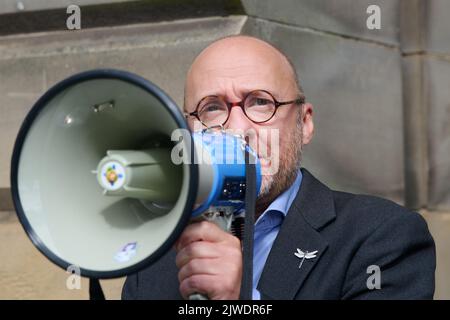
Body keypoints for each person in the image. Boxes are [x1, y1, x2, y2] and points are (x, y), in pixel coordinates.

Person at [122, 35, 435, 300]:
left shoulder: (381, 236)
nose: (238, 128)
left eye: (260, 102)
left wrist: (241, 302)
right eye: (213, 107)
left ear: (305, 123)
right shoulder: (157, 259)